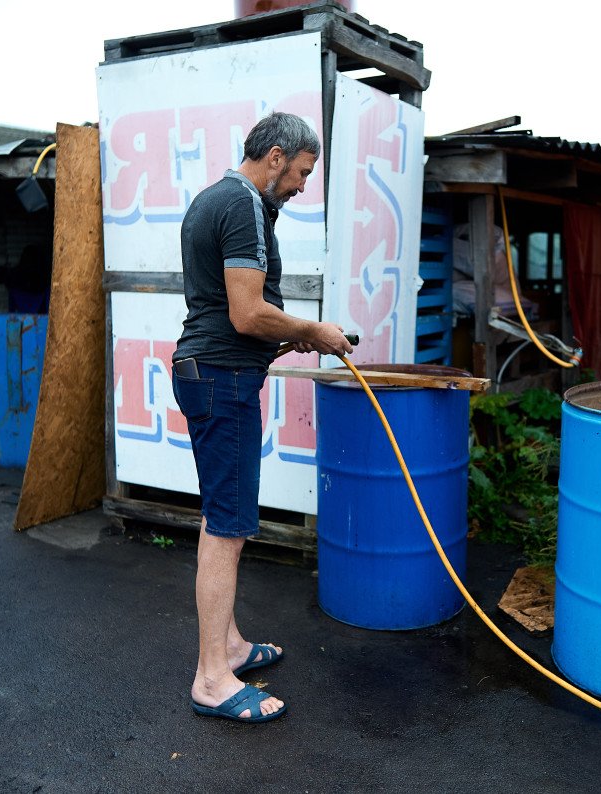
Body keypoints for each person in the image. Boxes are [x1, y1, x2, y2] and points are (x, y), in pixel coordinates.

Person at [171, 112, 353, 723]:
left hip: (213, 374)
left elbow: (230, 316)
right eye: (302, 172)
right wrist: (311, 329)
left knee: (222, 518)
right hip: (220, 382)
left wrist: (287, 339)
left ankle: (228, 646)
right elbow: (247, 314)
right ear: (275, 156)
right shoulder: (244, 203)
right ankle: (212, 679)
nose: (303, 185)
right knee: (226, 526)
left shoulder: (211, 200)